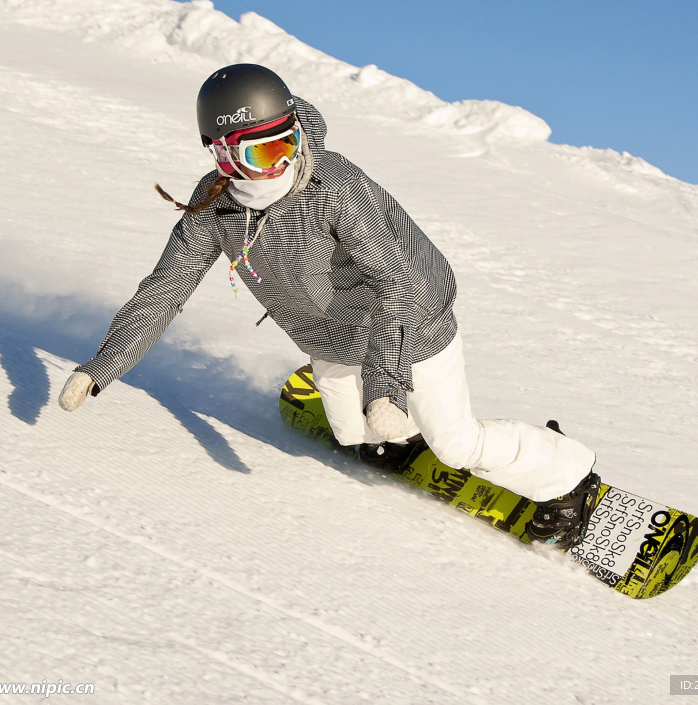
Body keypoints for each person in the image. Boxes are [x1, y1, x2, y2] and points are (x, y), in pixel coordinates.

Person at [58, 63, 600, 546]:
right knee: (351, 435)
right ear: (223, 155)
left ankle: (568, 472)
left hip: (411, 316)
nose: (282, 164)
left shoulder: (330, 183)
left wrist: (386, 386)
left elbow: (399, 282)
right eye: (262, 153)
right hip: (332, 333)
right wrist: (100, 369)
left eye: (286, 144)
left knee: (457, 444)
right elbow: (163, 292)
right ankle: (401, 432)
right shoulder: (213, 205)